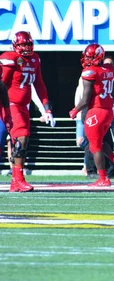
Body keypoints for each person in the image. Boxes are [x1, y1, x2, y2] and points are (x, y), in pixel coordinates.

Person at [0, 31, 55, 192]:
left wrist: (46, 107)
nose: (26, 47)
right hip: (11, 104)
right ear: (15, 45)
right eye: (22, 44)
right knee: (21, 138)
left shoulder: (34, 59)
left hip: (23, 106)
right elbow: (1, 84)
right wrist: (5, 108)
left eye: (28, 44)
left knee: (23, 141)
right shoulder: (10, 59)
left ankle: (16, 181)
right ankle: (18, 179)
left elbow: (39, 85)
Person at [68, 44, 114, 187]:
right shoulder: (109, 70)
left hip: (95, 111)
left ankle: (103, 178)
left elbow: (86, 98)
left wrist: (75, 110)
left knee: (94, 146)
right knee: (99, 142)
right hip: (108, 111)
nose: (88, 59)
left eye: (91, 57)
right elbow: (112, 93)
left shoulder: (89, 72)